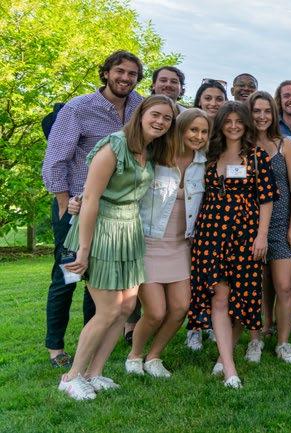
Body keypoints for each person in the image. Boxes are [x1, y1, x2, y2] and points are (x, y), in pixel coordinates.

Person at [57, 95, 176, 400]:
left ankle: (94, 373)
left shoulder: (150, 150)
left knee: (125, 308)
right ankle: (71, 377)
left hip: (129, 231)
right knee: (108, 309)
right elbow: (91, 198)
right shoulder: (114, 145)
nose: (160, 121)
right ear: (141, 114)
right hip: (101, 232)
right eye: (156, 114)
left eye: (167, 118)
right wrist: (84, 250)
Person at [42, 50, 145, 369]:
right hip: (76, 206)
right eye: (119, 71)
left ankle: (92, 341)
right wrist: (65, 203)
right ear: (106, 73)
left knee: (98, 280)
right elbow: (55, 160)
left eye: (132, 74)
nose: (125, 78)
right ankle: (56, 347)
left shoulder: (139, 106)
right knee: (68, 276)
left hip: (114, 211)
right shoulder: (78, 108)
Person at [188, 101, 276, 389]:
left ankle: (223, 357)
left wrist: (262, 236)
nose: (234, 126)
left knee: (243, 297)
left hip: (245, 235)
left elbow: (266, 199)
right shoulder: (208, 155)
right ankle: (229, 368)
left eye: (239, 121)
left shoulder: (257, 157)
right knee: (220, 297)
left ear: (246, 124)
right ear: (221, 124)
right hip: (211, 234)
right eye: (228, 121)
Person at [122, 108, 209, 378]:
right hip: (148, 244)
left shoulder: (204, 163)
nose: (198, 136)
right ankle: (135, 355)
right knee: (156, 311)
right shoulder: (155, 157)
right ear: (180, 129)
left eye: (204, 131)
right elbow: (125, 187)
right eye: (193, 130)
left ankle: (154, 356)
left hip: (181, 246)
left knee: (181, 308)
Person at [248, 91, 291, 363]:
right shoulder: (242, 146)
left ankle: (283, 343)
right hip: (249, 224)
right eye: (256, 111)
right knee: (252, 287)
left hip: (282, 224)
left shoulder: (286, 146)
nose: (262, 116)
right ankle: (255, 340)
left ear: (274, 114)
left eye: (267, 111)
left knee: (284, 286)